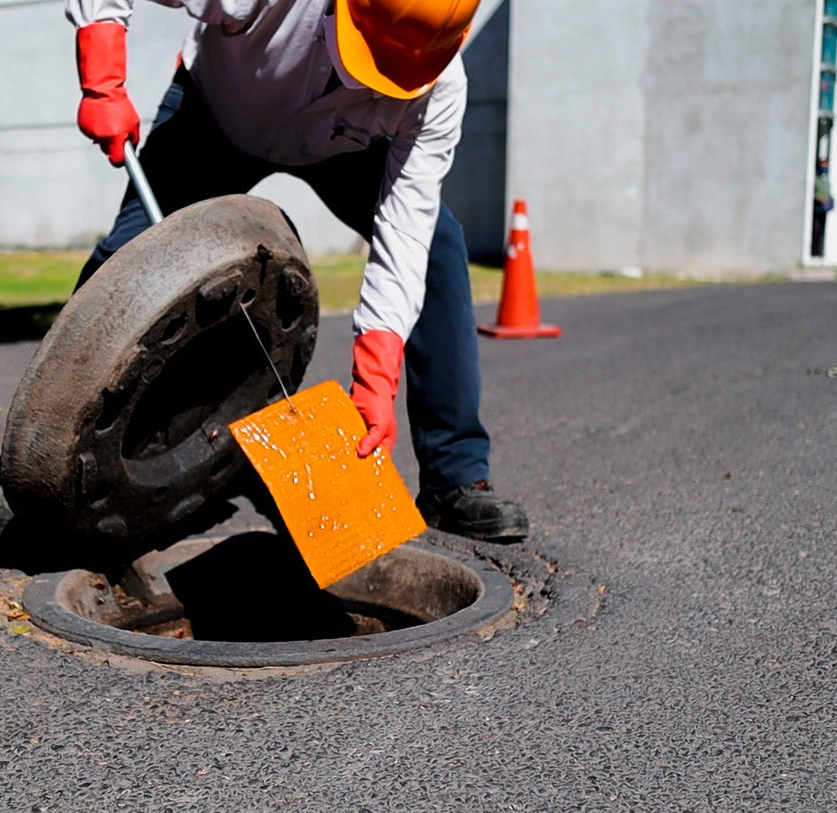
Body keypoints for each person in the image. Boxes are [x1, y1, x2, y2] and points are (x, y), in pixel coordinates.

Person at [66, 0, 528, 541]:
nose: (376, 83)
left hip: (341, 148)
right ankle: (62, 472)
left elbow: (405, 233)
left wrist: (375, 381)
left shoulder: (439, 85)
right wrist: (102, 79)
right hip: (214, 115)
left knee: (437, 249)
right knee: (124, 259)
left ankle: (455, 477)